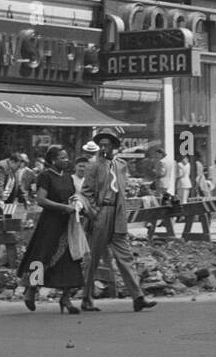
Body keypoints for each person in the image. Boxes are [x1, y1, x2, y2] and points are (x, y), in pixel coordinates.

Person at [79, 128, 155, 314]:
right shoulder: (93, 166)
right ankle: (86, 298)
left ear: (114, 146)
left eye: (107, 144)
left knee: (125, 256)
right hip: (101, 213)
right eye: (101, 145)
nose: (104, 148)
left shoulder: (120, 165)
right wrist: (94, 212)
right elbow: (86, 192)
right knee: (93, 259)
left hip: (118, 213)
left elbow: (122, 189)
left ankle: (138, 297)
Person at [16, 146, 85, 314]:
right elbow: (41, 200)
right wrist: (63, 207)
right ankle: (31, 290)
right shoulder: (45, 176)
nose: (66, 160)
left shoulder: (68, 178)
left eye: (67, 157)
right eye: (62, 157)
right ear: (53, 160)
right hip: (50, 223)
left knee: (69, 260)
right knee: (42, 257)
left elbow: (71, 196)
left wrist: (76, 203)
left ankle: (66, 298)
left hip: (67, 224)